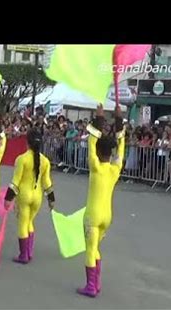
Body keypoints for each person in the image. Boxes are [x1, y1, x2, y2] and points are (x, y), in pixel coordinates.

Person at [77, 104, 125, 298]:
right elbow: (121, 149)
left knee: (90, 249)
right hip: (107, 215)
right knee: (96, 248)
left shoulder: (95, 167)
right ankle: (95, 284)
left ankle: (91, 286)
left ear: (98, 151)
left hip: (93, 215)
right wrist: (119, 122)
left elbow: (91, 143)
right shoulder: (114, 169)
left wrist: (98, 120)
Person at [4, 128, 55, 264]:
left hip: (24, 195)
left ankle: (23, 254)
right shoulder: (45, 161)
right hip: (37, 197)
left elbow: (16, 181)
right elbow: (47, 182)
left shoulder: (22, 159)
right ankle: (29, 252)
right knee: (30, 222)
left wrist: (8, 198)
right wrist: (51, 199)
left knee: (22, 223)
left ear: (27, 142)